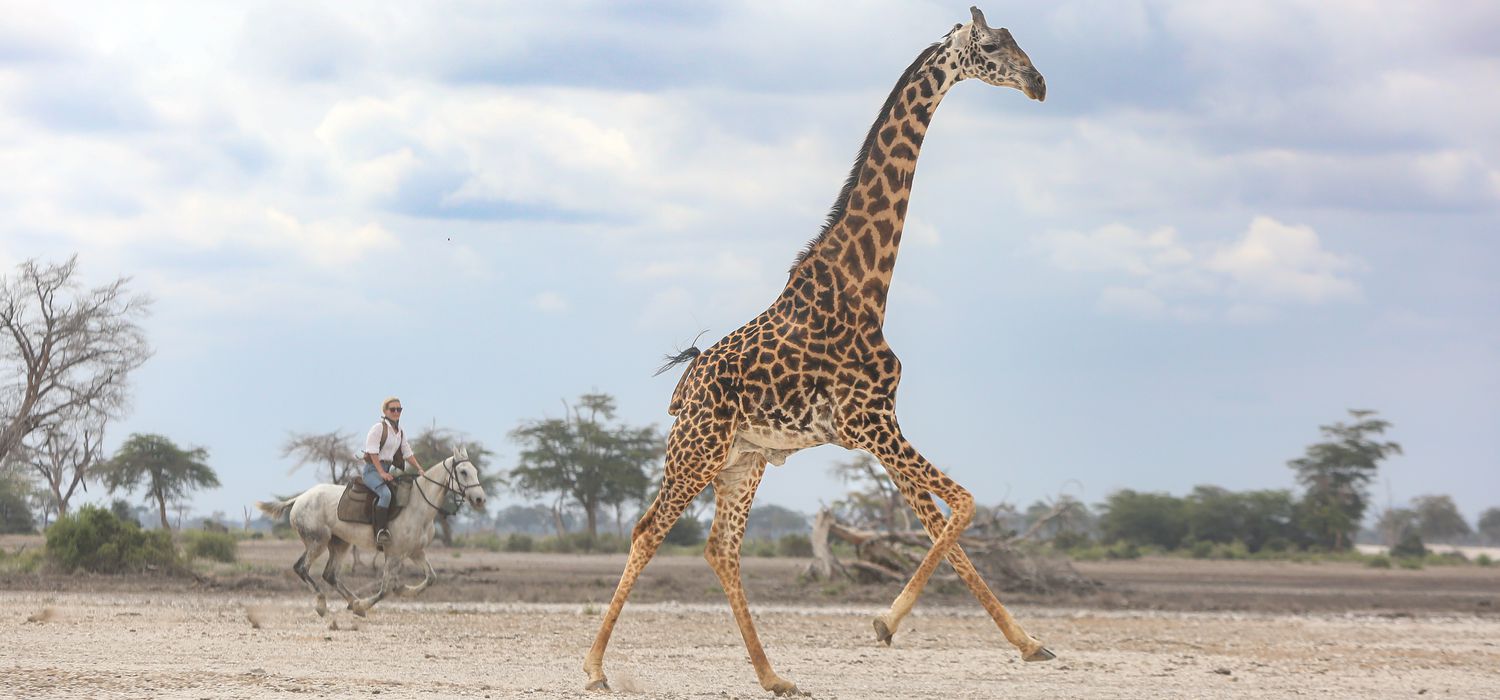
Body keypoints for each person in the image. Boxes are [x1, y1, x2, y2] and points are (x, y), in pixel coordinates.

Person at [363, 397, 425, 551]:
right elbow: (372, 452)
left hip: (386, 469)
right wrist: (381, 472)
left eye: (399, 409)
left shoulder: (400, 432)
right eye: (393, 409)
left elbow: (407, 452)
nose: (396, 412)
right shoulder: (378, 428)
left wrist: (419, 468)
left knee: (402, 492)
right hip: (372, 471)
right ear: (385, 411)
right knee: (386, 495)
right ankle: (380, 532)